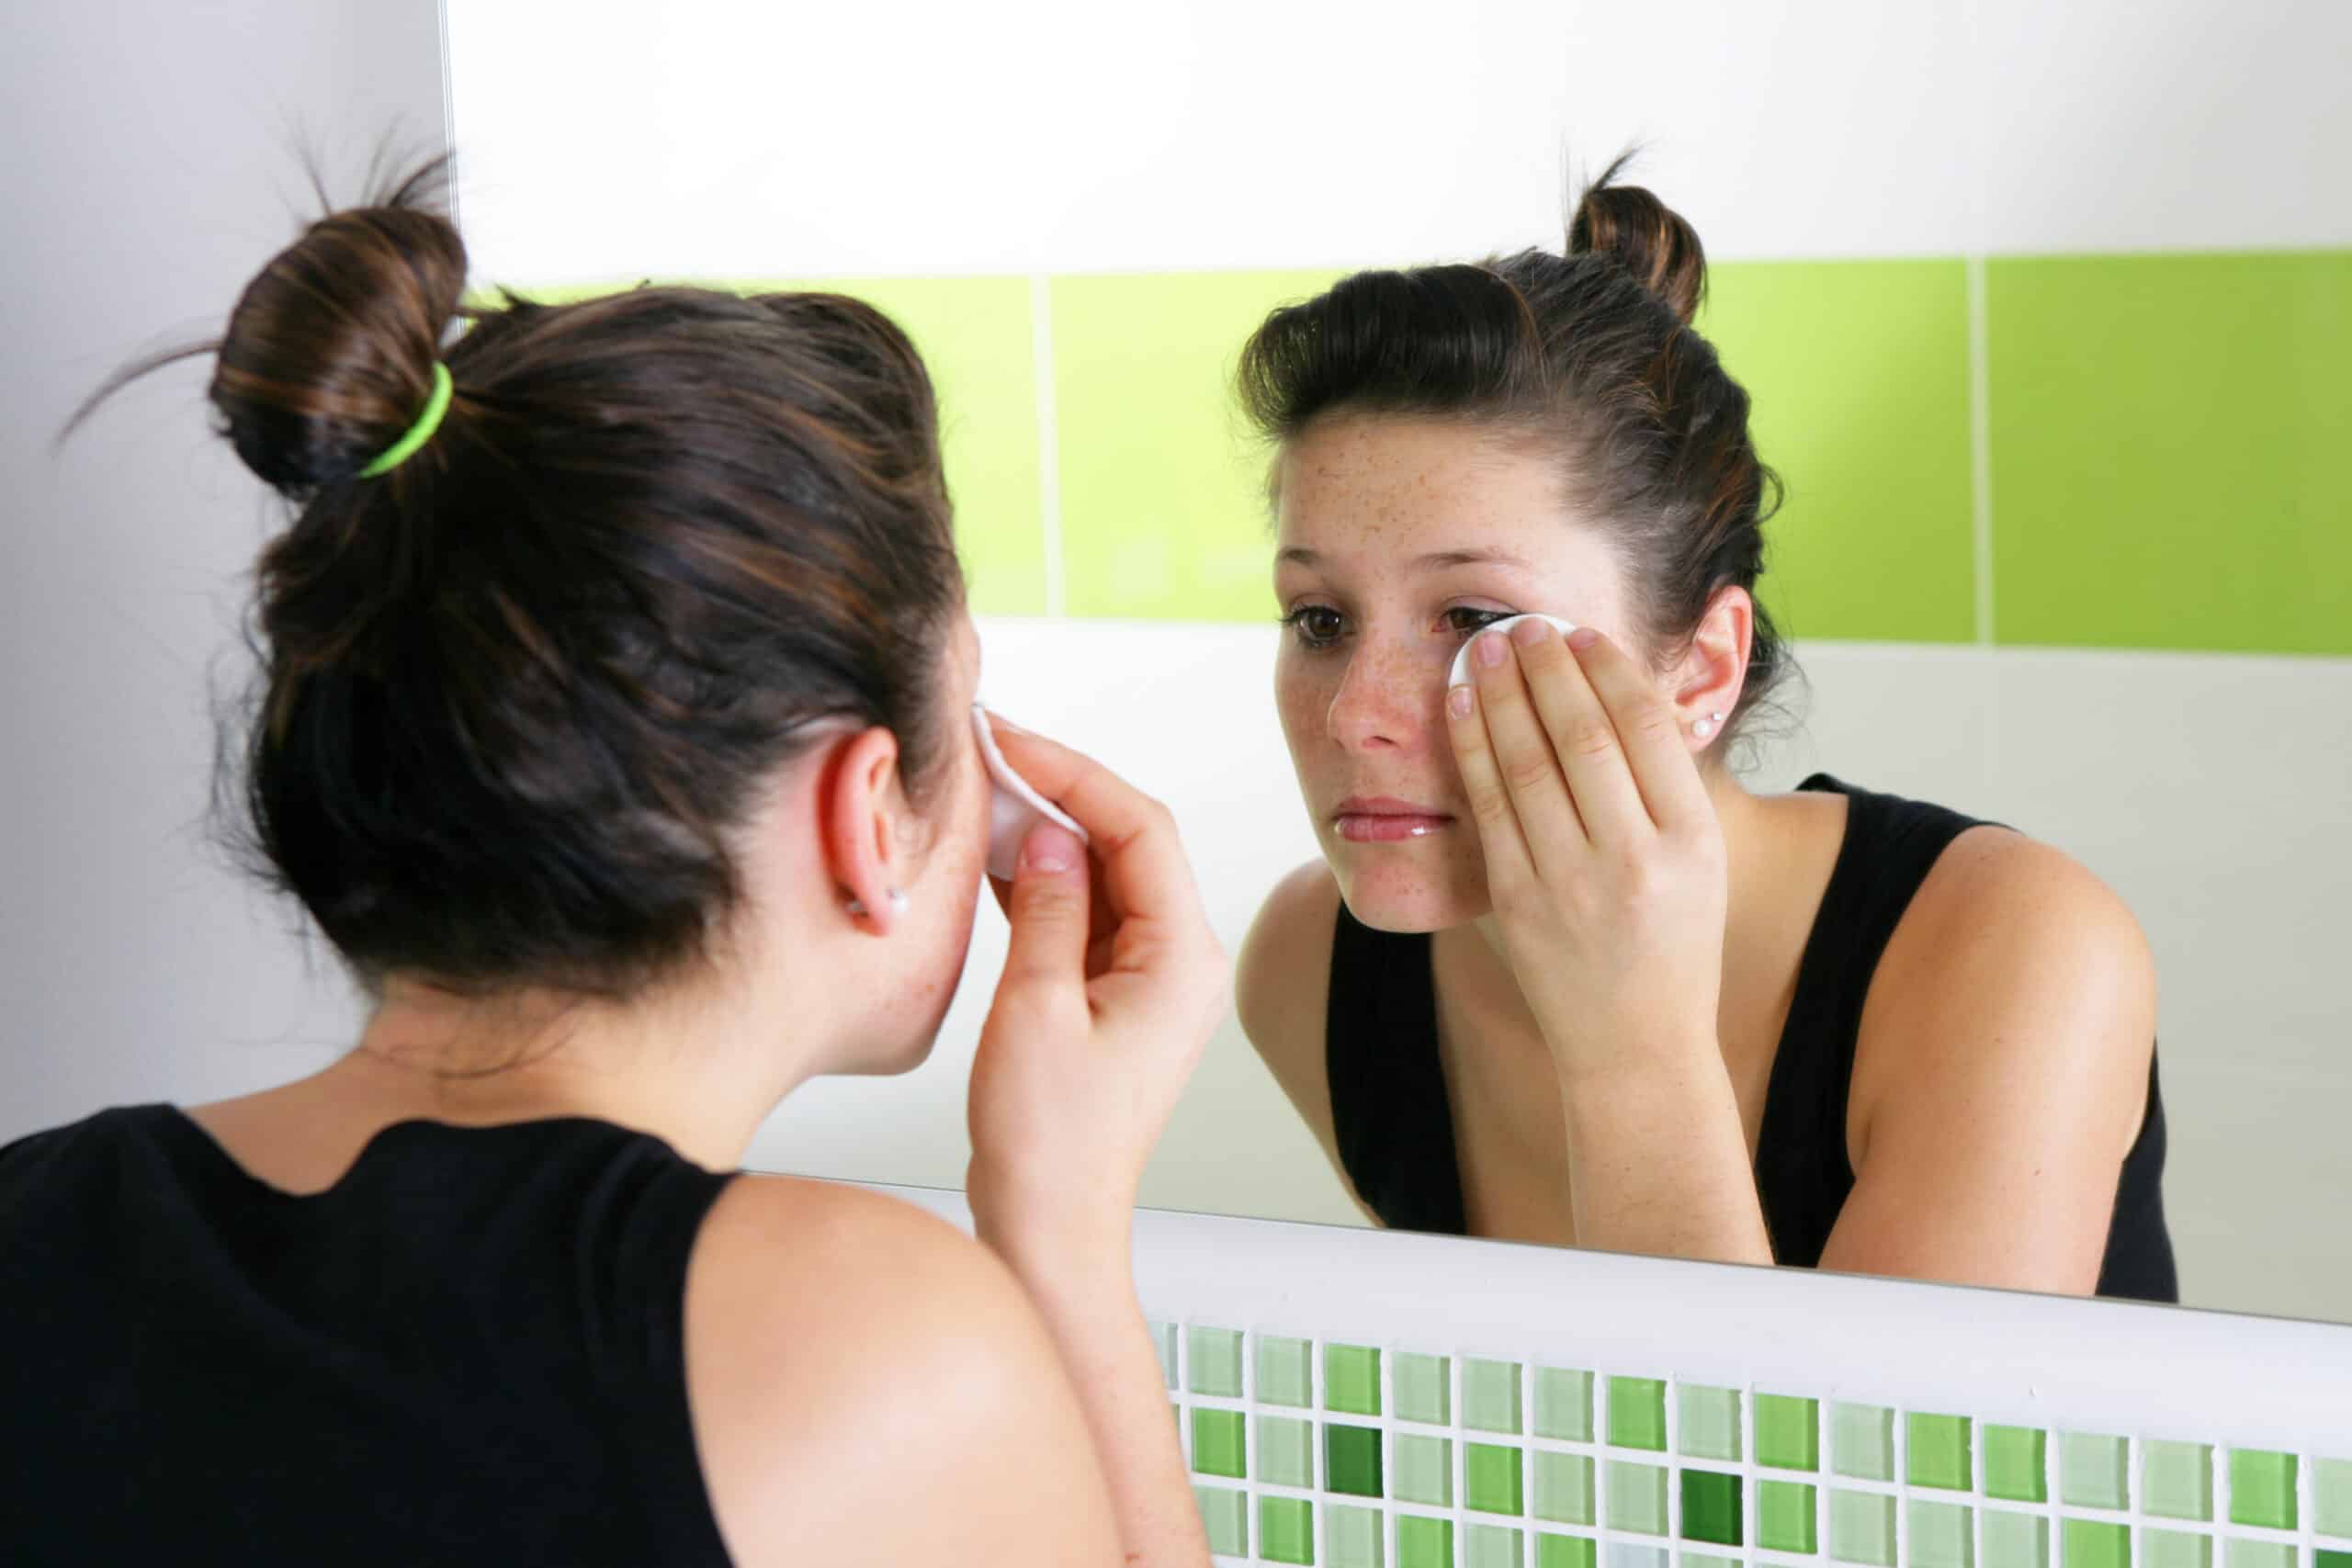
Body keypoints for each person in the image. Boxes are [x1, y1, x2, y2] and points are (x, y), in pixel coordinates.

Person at [1, 161, 1225, 1564]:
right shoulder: (867, 1353)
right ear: (869, 816)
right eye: (970, 709)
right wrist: (1060, 1228)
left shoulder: (33, 1210)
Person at [1234, 157, 2175, 1302]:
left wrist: (1629, 1053)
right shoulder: (1308, 971)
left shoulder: (2012, 953)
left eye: (1472, 619)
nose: (1354, 715)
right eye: (1320, 619)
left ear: (1704, 668)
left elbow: (1816, 1438)